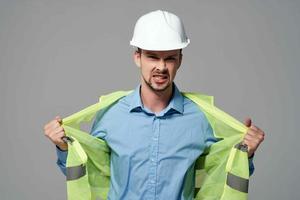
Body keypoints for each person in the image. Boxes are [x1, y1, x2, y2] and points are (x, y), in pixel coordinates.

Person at [44, 10, 265, 199]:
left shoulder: (201, 118)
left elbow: (223, 173)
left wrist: (247, 151)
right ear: (137, 57)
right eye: (152, 57)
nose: (161, 67)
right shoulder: (110, 114)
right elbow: (92, 172)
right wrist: (64, 148)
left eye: (169, 58)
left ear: (180, 60)